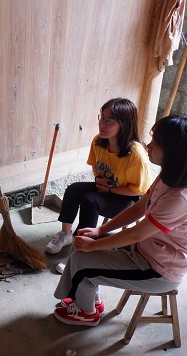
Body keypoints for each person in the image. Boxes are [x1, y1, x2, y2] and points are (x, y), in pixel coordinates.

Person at [53, 115, 187, 326]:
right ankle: (89, 298)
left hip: (158, 270)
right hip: (146, 250)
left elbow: (136, 233)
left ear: (174, 153)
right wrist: (99, 232)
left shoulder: (180, 198)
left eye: (156, 143)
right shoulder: (168, 177)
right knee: (82, 240)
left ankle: (87, 313)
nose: (148, 145)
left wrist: (95, 245)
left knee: (82, 260)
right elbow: (139, 208)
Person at [45, 98, 152, 273]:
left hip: (128, 199)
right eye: (102, 117)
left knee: (90, 200)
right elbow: (95, 164)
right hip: (107, 188)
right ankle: (66, 235)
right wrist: (97, 179)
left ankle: (80, 252)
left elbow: (139, 190)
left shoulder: (135, 155)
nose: (102, 123)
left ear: (124, 124)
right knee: (73, 189)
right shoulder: (99, 141)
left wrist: (110, 189)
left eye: (109, 120)